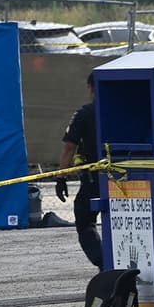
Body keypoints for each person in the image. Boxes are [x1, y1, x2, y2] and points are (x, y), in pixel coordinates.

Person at [58, 72, 104, 268]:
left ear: (92, 89)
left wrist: (61, 177)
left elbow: (70, 147)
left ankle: (104, 262)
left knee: (85, 221)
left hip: (94, 180)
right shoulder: (125, 109)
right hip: (125, 177)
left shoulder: (85, 114)